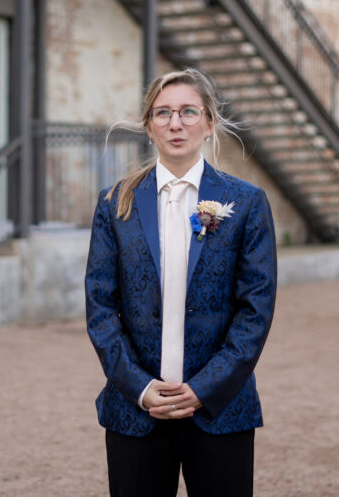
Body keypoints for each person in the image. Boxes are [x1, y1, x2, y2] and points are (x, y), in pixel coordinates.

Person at [85, 68, 278, 496]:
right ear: (148, 126)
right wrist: (139, 387)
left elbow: (255, 310)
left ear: (209, 123)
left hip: (219, 409)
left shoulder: (246, 203)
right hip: (136, 413)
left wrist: (203, 390)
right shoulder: (115, 203)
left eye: (189, 112)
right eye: (163, 113)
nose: (176, 123)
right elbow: (100, 307)